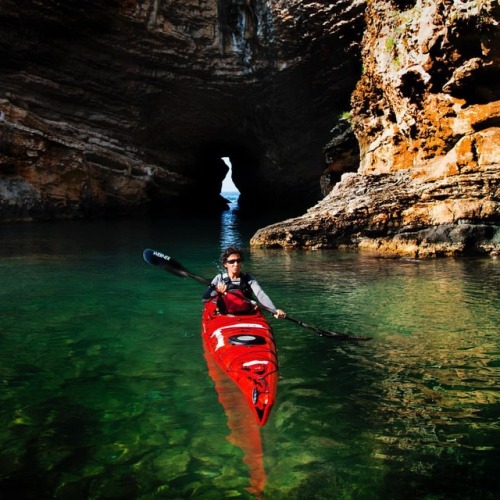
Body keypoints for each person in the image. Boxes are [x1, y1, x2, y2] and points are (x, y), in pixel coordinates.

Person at [202, 246, 286, 318]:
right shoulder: (219, 278)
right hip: (224, 314)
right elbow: (205, 299)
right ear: (225, 264)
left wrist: (274, 310)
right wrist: (216, 291)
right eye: (231, 261)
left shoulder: (249, 279)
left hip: (247, 314)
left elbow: (260, 294)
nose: (236, 264)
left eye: (238, 261)